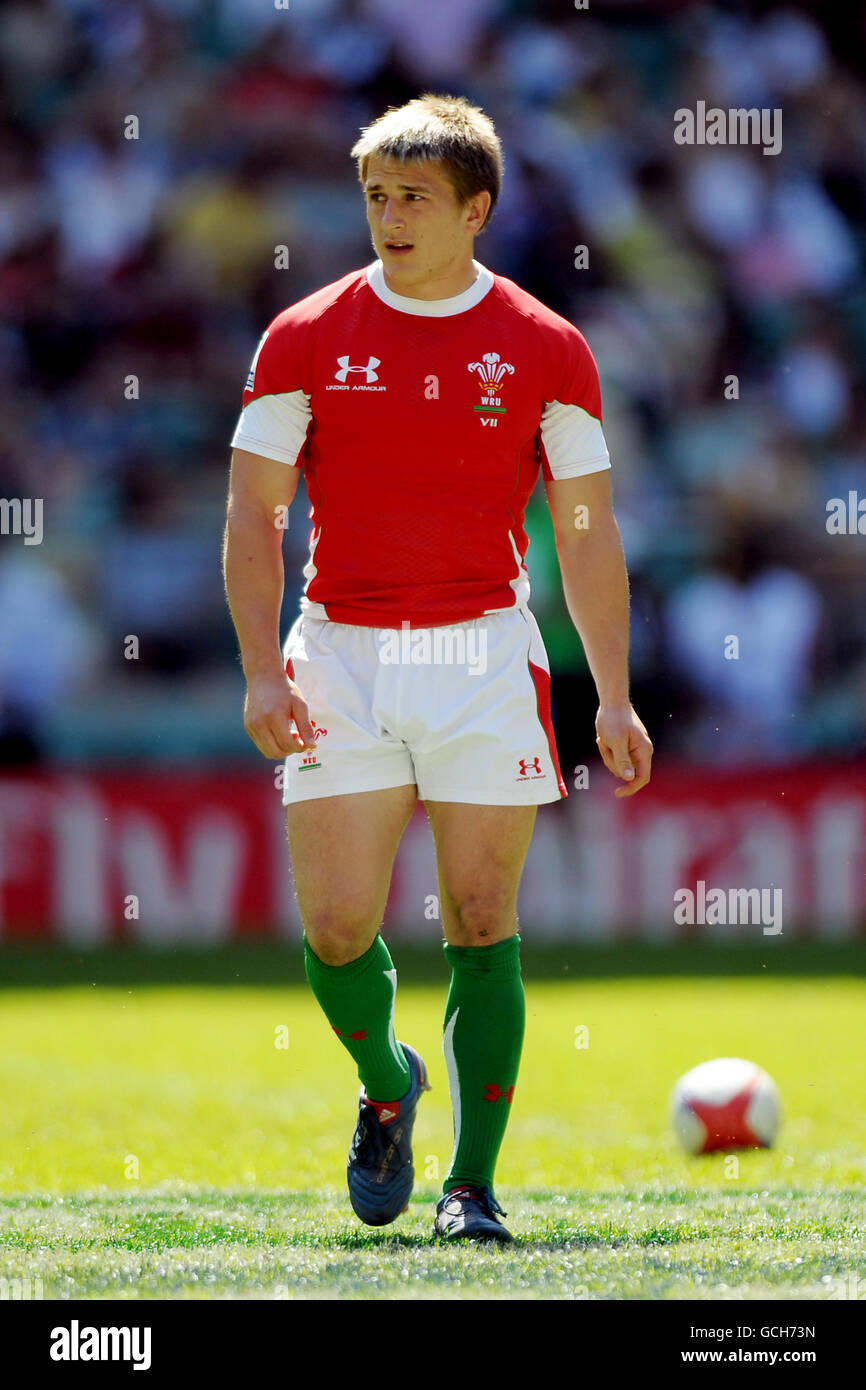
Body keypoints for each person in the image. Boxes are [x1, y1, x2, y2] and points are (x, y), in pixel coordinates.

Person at [223, 93, 652, 1243]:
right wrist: (263, 671)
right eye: (374, 195)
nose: (389, 215)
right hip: (340, 656)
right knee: (335, 930)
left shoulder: (548, 347)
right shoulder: (301, 336)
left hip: (483, 658)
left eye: (413, 196)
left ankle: (470, 1185)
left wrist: (609, 691)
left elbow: (585, 531)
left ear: (476, 208)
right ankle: (384, 1082)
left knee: (477, 913)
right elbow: (255, 517)